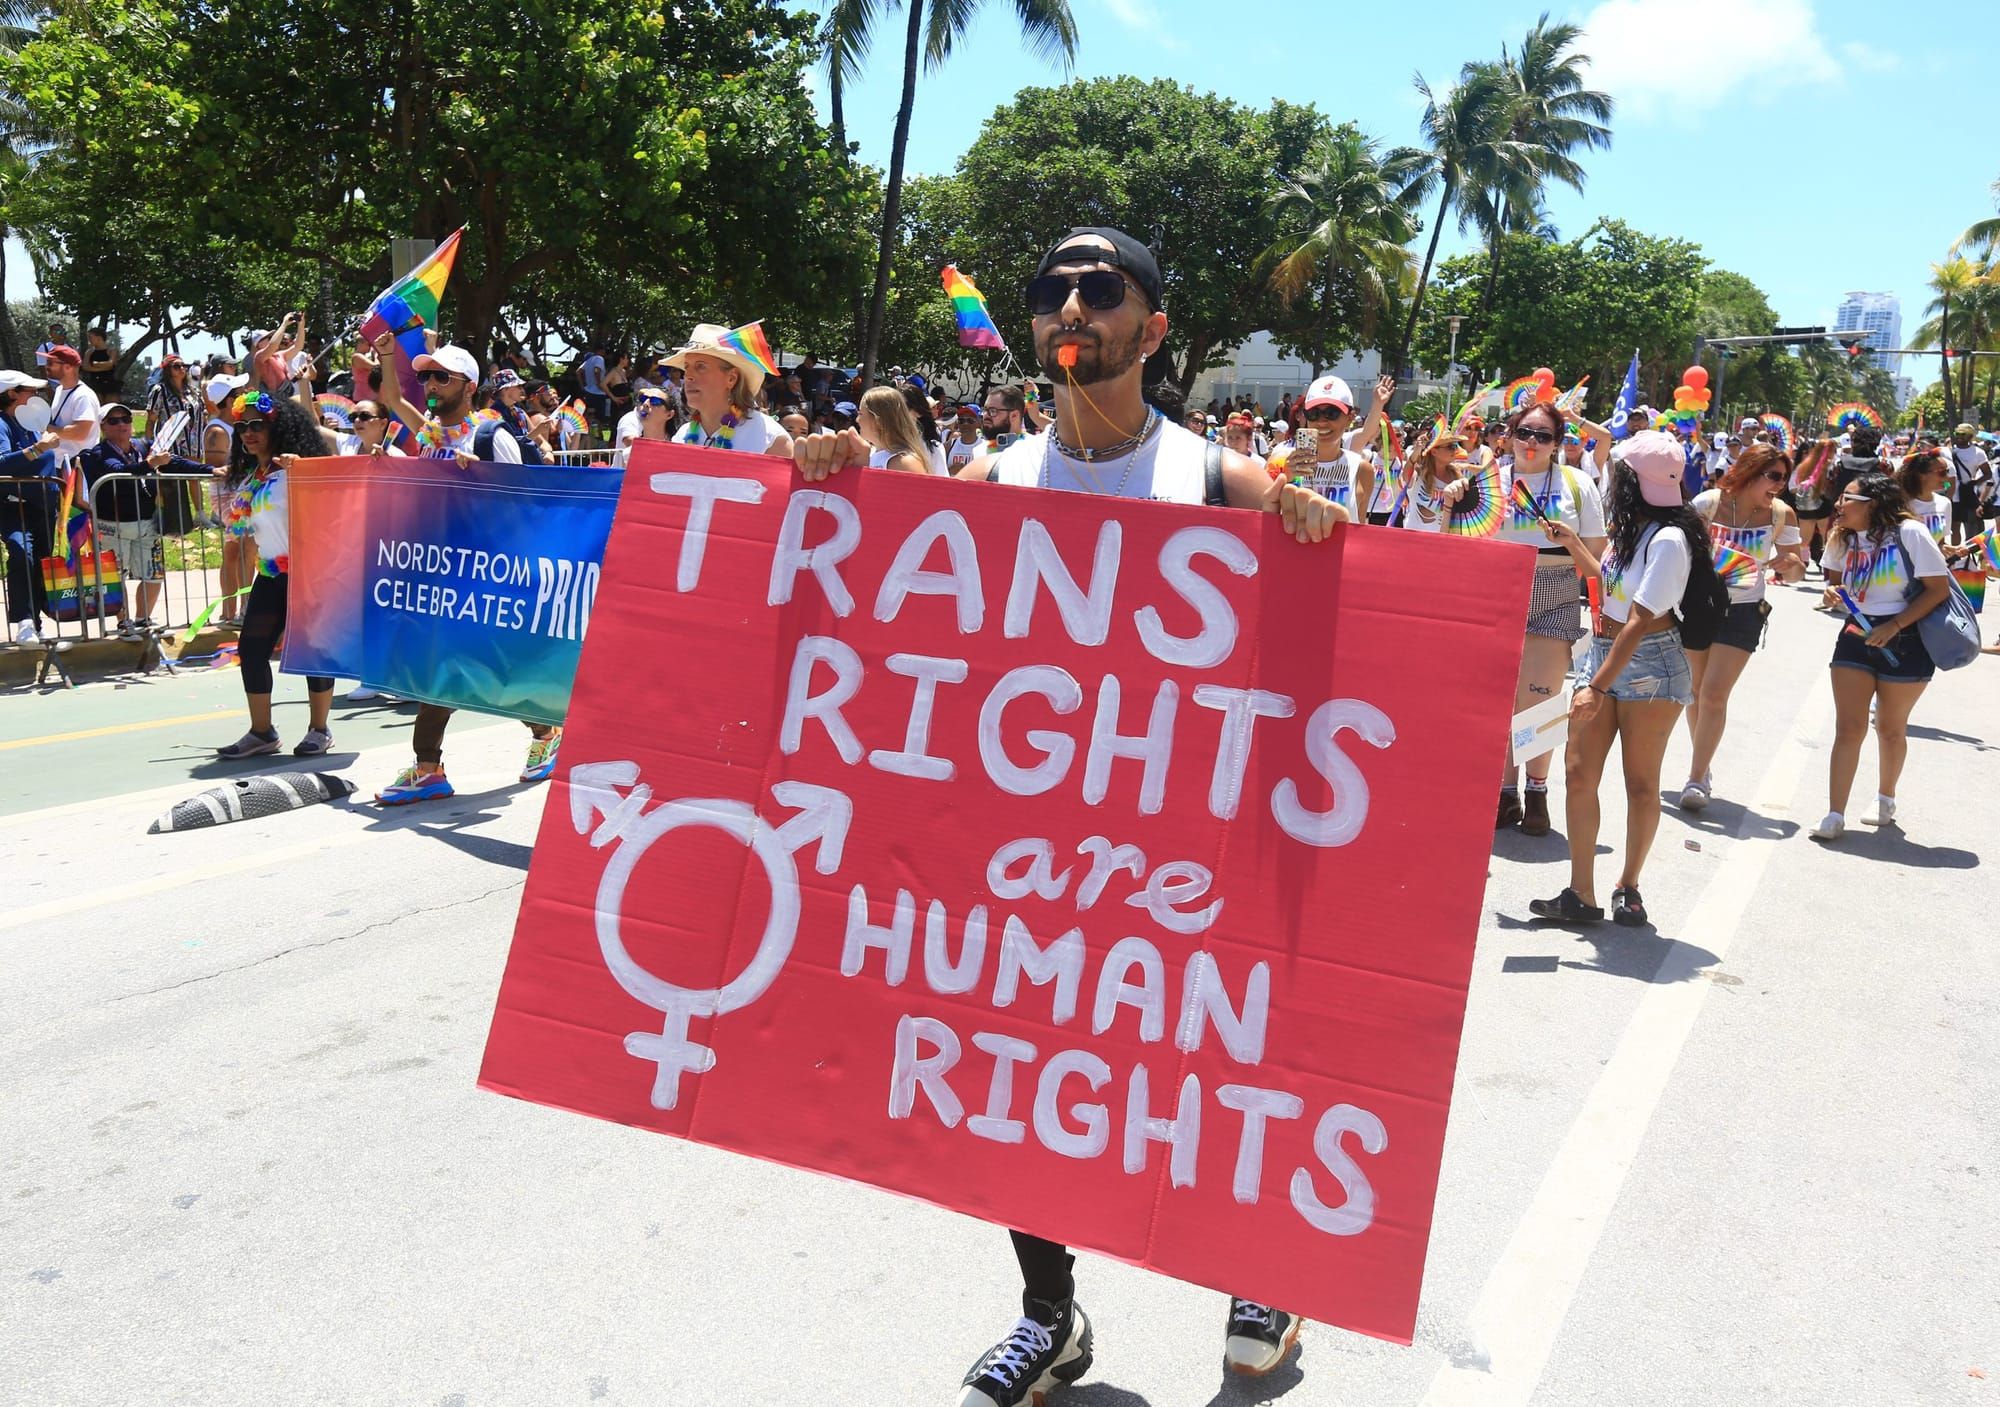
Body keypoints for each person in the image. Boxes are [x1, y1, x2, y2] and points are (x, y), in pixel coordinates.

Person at [793, 225, 1344, 1405]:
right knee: (1020, 1070)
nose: (1071, 306)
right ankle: (1052, 1316)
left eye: (1103, 290)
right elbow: (900, 642)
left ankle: (1257, 1269)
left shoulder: (1220, 481)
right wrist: (827, 490)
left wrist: (1317, 539)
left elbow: (1336, 658)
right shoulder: (990, 485)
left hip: (1190, 853)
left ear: (1151, 328)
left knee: (1206, 1057)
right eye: (1053, 291)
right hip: (1027, 862)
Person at [1531, 433, 1703, 926]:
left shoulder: (1669, 538)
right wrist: (1573, 546)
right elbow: (1612, 591)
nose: (1609, 480)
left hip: (1648, 665)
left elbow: (1640, 619)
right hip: (1606, 652)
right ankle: (1580, 894)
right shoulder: (1634, 529)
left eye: (1618, 473)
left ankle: (1628, 886)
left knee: (1641, 784)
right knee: (1580, 772)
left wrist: (1596, 687)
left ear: (1634, 481)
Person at [1808, 472, 1952, 840]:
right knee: (1849, 727)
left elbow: (1937, 590)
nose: (1838, 505)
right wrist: (1833, 595)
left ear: (1872, 503)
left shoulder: (1911, 534)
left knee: (1889, 727)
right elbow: (1837, 584)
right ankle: (1834, 813)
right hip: (1855, 634)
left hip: (1906, 638)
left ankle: (1885, 797)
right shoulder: (1841, 537)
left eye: (1847, 499)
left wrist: (1895, 625)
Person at [1678, 444, 1806, 810]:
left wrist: (1791, 564)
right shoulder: (1707, 504)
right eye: (1774, 476)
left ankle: (1697, 777)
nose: (1780, 486)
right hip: (1700, 605)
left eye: (1784, 478)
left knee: (1715, 694)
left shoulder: (1782, 515)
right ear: (1750, 471)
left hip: (1746, 610)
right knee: (1696, 693)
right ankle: (1703, 765)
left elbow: (1795, 572)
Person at [212, 394, 337, 758]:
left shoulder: (301, 469)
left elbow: (337, 494)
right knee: (251, 650)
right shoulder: (255, 475)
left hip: (308, 572)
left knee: (312, 654)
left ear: (278, 427)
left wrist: (306, 471)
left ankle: (319, 729)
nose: (248, 434)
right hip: (270, 572)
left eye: (257, 426)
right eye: (242, 427)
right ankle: (262, 732)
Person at [80, 402, 187, 635]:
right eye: (114, 421)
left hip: (147, 524)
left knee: (154, 575)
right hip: (111, 527)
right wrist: (150, 464)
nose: (122, 425)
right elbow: (117, 469)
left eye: (126, 419)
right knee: (116, 577)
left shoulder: (143, 446)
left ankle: (143, 619)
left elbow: (175, 461)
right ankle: (124, 622)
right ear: (103, 426)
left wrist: (210, 470)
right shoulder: (97, 453)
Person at [663, 322, 794, 459]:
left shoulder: (770, 438)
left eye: (700, 366)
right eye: (686, 367)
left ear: (731, 378)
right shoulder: (682, 436)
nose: (688, 376)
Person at [0, 370, 63, 642]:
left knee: (41, 561)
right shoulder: (1, 423)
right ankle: (24, 622)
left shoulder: (32, 425)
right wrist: (37, 449)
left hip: (41, 507)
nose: (36, 396)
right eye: (30, 390)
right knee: (20, 554)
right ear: (12, 393)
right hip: (12, 507)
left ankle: (36, 623)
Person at [44, 345, 102, 469]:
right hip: (60, 464)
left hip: (77, 468)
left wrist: (45, 428)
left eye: (50, 362)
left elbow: (80, 433)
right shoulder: (60, 389)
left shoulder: (83, 396)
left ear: (68, 367)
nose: (46, 366)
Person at [855, 385, 933, 474]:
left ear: (878, 421)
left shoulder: (903, 463)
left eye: (860, 414)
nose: (857, 420)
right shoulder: (869, 455)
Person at [1948, 423, 1991, 538]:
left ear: (1970, 437)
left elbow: (1988, 474)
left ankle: (1971, 554)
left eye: (1963, 434)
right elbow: (1944, 477)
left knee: (1972, 527)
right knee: (1954, 528)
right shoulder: (1949, 452)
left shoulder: (1978, 453)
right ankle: (1956, 556)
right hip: (1952, 494)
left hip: (1968, 493)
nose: (1959, 436)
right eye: (1957, 434)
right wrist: (1947, 486)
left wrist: (1975, 482)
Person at [577, 346, 608, 431]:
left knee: (591, 416)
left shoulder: (588, 360)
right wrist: (599, 384)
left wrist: (582, 386)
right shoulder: (599, 358)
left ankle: (591, 436)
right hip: (598, 393)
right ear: (601, 350)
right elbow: (596, 370)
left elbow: (578, 371)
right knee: (600, 418)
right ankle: (598, 438)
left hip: (588, 392)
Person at [82, 328, 118, 397]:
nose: (89, 340)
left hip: (110, 383)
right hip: (94, 383)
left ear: (99, 337)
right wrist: (104, 367)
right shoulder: (89, 352)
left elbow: (110, 364)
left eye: (90, 337)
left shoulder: (112, 351)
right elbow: (85, 367)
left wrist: (95, 364)